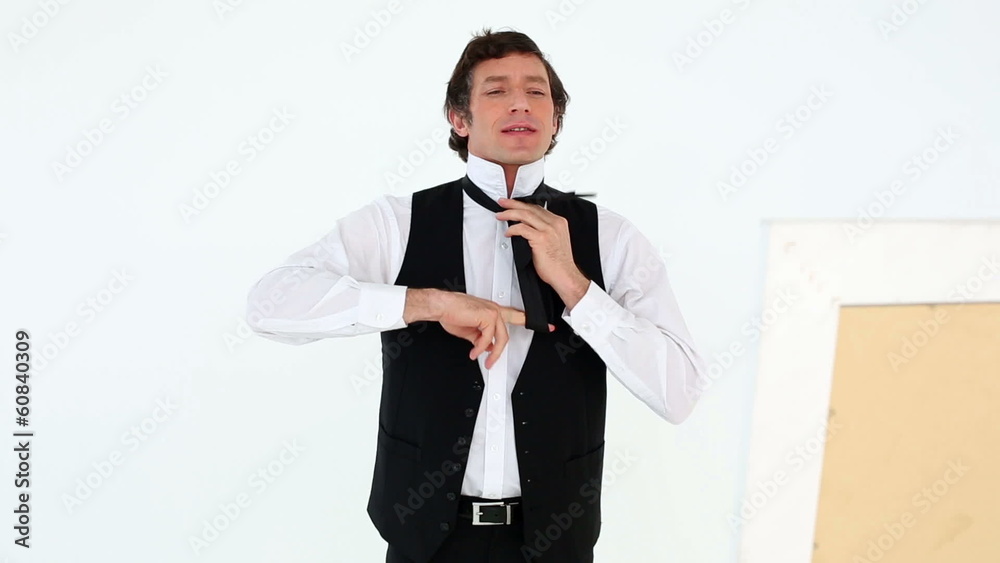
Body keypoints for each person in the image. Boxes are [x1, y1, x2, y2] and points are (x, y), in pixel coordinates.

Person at [245, 27, 706, 563]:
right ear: (458, 119)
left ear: (555, 119)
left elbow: (680, 393)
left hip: (556, 542)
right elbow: (269, 305)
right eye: (496, 90)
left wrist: (575, 286)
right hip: (426, 542)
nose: (520, 102)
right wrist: (429, 303)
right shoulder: (397, 223)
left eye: (537, 92)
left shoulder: (609, 236)